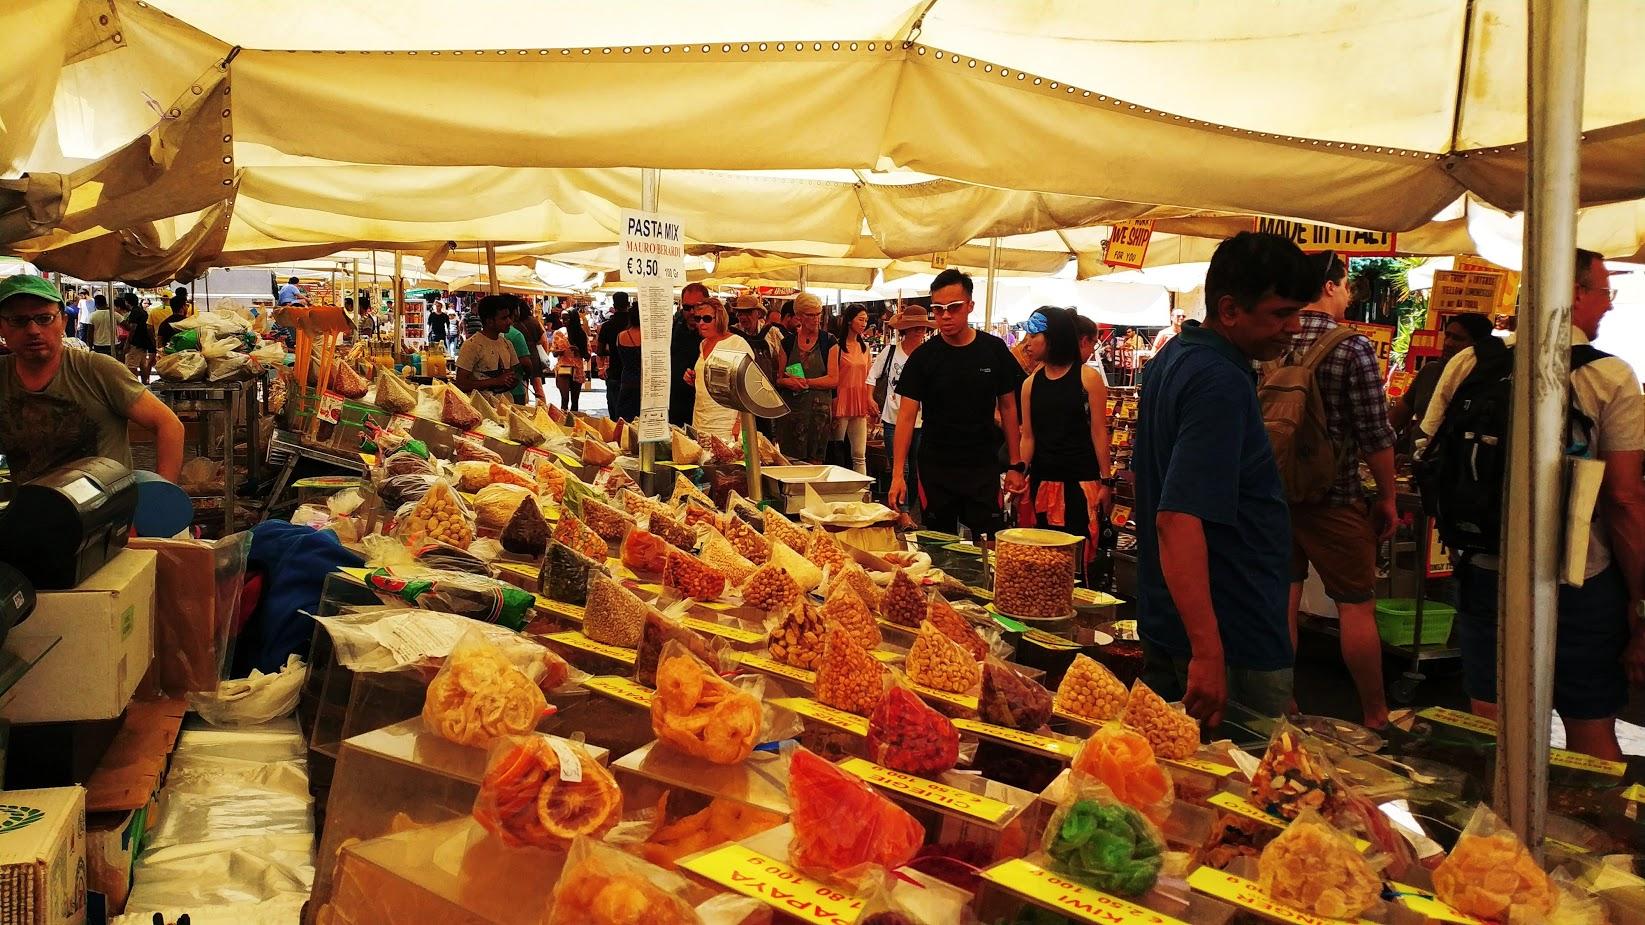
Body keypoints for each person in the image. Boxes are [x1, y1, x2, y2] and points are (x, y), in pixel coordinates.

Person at [1420, 250, 1645, 761]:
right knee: (1589, 730)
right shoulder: (1610, 377)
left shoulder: (1470, 362)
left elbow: (1428, 450)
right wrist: (1639, 600)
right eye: (1605, 292)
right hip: (1579, 577)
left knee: (1493, 725)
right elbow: (1625, 498)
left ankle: (1497, 814)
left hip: (1486, 570)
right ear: (1574, 293)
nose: (1609, 305)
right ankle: (1589, 817)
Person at [1134, 231, 1317, 726]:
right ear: (1231, 309)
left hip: (1182, 622)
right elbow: (1177, 518)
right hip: (1228, 629)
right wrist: (1209, 651)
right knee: (1238, 771)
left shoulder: (1177, 356)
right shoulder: (1218, 380)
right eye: (1281, 313)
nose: (1294, 327)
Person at [1274, 251, 1398, 729]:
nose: (1348, 296)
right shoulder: (1352, 347)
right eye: (1346, 286)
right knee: (1355, 605)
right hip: (1335, 497)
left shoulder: (1273, 340)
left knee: (1282, 601)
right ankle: (1376, 714)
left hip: (1275, 495)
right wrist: (1387, 497)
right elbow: (1375, 435)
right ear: (1329, 286)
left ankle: (1282, 702)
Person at [0, 276, 183, 483]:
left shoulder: (98, 371)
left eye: (44, 318)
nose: (33, 330)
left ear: (63, 322)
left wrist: (162, 495)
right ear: (1, 327)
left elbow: (169, 424)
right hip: (28, 502)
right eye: (18, 320)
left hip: (108, 503)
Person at [888, 269, 1027, 538]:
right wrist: (897, 475)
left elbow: (1009, 408)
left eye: (954, 307)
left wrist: (1015, 464)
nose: (946, 315)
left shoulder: (994, 350)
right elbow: (905, 416)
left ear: (970, 306)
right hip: (935, 466)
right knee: (939, 544)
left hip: (983, 465)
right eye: (938, 309)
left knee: (989, 542)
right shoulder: (923, 357)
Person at [1018, 307, 1112, 543]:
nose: (1027, 343)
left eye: (1034, 336)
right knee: (1041, 552)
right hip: (1041, 481)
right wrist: (1019, 472)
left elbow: (1099, 432)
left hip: (1081, 481)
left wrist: (1106, 481)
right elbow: (1028, 436)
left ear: (1053, 338)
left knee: (1078, 549)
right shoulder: (1030, 384)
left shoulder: (1087, 378)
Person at [1390, 313, 1497, 452]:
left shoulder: (1484, 382)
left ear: (1476, 346)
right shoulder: (1430, 372)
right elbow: (1397, 419)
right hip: (1417, 459)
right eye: (1447, 335)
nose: (1448, 343)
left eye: (1458, 339)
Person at [869, 306, 932, 513]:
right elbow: (872, 376)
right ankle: (902, 512)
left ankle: (907, 510)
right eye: (915, 327)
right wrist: (869, 398)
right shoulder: (890, 352)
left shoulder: (928, 354)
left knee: (915, 469)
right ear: (905, 329)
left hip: (921, 421)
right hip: (893, 419)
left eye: (923, 327)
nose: (920, 331)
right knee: (900, 467)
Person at [775, 292, 840, 462]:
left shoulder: (829, 342)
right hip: (792, 414)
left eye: (818, 314)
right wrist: (787, 382)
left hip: (819, 416)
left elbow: (833, 379)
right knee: (790, 462)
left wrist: (806, 382)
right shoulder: (787, 343)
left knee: (815, 463)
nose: (816, 319)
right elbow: (779, 378)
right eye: (810, 315)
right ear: (799, 316)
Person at [683, 298, 754, 441]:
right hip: (701, 419)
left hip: (726, 422)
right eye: (698, 318)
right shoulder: (703, 344)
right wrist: (694, 378)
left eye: (707, 318)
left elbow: (750, 386)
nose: (701, 323)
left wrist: (739, 423)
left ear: (720, 318)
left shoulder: (737, 343)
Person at [829, 305, 878, 474]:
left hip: (859, 402)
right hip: (840, 402)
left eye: (866, 320)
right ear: (850, 321)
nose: (864, 323)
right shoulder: (837, 347)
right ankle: (839, 484)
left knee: (859, 454)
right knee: (837, 451)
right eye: (861, 319)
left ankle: (863, 488)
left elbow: (869, 376)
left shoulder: (865, 347)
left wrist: (870, 399)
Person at [455, 295, 522, 397]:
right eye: (504, 318)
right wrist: (496, 381)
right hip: (481, 405)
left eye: (509, 317)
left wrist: (513, 379)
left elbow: (514, 374)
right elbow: (461, 384)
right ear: (489, 321)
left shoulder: (507, 344)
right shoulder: (472, 345)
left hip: (505, 403)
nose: (509, 321)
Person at [670, 284, 709, 426]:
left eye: (697, 306)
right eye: (687, 307)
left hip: (704, 410)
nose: (692, 312)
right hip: (675, 408)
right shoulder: (673, 329)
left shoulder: (715, 334)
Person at [551, 306, 589, 412]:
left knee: (575, 401)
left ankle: (574, 420)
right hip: (563, 368)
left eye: (566, 319)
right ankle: (563, 419)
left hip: (577, 370)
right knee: (564, 399)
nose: (563, 321)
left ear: (573, 319)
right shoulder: (558, 333)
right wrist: (560, 351)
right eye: (562, 318)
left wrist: (579, 350)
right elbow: (553, 352)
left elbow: (587, 355)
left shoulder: (581, 334)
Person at [516, 300, 551, 407]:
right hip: (534, 355)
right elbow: (543, 340)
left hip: (519, 355)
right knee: (537, 386)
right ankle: (542, 409)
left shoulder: (514, 324)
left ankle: (524, 408)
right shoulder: (534, 321)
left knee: (523, 385)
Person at [613, 304, 643, 423]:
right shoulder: (648, 337)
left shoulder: (621, 336)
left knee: (624, 418)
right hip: (644, 381)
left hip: (627, 379)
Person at [501, 300, 534, 405]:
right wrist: (527, 374)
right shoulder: (515, 335)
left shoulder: (505, 338)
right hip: (515, 391)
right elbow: (525, 362)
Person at [121, 294, 156, 383]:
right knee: (142, 364)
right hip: (144, 342)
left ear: (127, 302)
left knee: (131, 366)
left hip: (136, 342)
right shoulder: (142, 311)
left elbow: (133, 329)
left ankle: (134, 384)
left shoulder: (135, 312)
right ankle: (145, 382)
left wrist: (127, 343)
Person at [598, 292, 629, 381]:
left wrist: (611, 351)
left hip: (614, 369)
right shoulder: (634, 325)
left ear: (614, 306)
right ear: (628, 304)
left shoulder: (607, 326)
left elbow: (600, 351)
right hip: (632, 372)